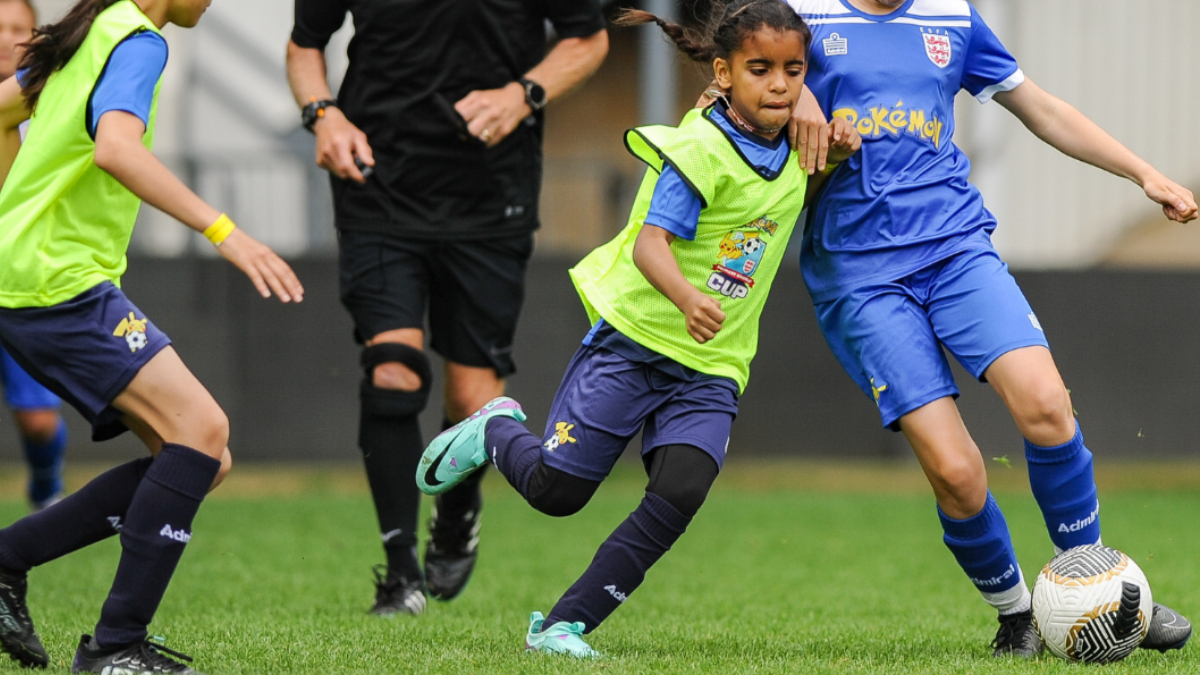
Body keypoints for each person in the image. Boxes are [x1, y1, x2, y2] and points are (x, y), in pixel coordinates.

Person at [418, 0, 861, 657]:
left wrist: (835, 149)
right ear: (723, 73)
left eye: (793, 71)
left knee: (682, 488)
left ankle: (563, 625)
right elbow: (652, 245)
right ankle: (493, 429)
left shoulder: (797, 145)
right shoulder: (698, 148)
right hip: (634, 342)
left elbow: (794, 192)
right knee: (557, 494)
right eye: (760, 69)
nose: (779, 85)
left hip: (712, 365)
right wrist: (687, 297)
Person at [782, 0, 1198, 658]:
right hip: (859, 275)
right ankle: (1017, 615)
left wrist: (1144, 173)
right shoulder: (801, 15)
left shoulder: (952, 15)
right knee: (955, 471)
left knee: (1046, 405)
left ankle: (1099, 584)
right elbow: (730, 82)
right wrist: (795, 94)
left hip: (955, 250)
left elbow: (1042, 109)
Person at [0, 0, 304, 671]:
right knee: (203, 429)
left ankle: (9, 559)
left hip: (30, 278)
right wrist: (226, 232)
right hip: (58, 282)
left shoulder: (89, 31)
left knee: (200, 457)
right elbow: (116, 148)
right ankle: (115, 647)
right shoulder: (138, 40)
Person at [285, 0, 608, 615]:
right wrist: (323, 114)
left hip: (492, 196)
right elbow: (304, 44)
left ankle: (457, 513)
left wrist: (523, 93)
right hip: (376, 184)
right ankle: (400, 574)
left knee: (471, 401)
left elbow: (589, 40)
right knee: (393, 369)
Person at [0, 0, 69, 513]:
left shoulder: (51, 104)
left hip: (23, 279)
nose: (5, 38)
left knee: (39, 420)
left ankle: (46, 487)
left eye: (16, 28)